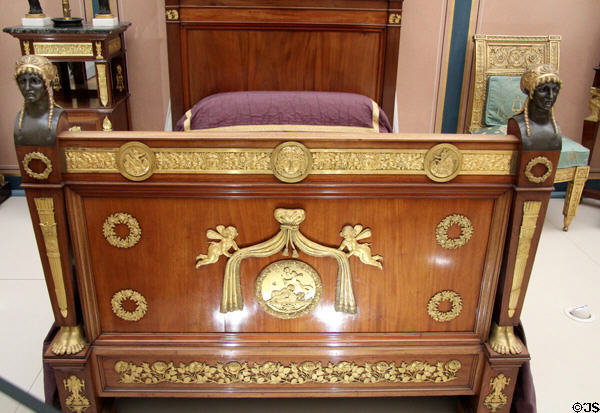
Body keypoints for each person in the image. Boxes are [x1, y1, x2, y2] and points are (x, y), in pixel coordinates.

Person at [508, 64, 562, 151]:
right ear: (529, 91)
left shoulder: (555, 128)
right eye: (543, 90)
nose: (551, 96)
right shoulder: (517, 125)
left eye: (555, 90)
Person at [14, 55, 64, 146]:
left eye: (34, 81)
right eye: (22, 81)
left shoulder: (59, 117)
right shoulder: (19, 121)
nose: (27, 87)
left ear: (49, 84)